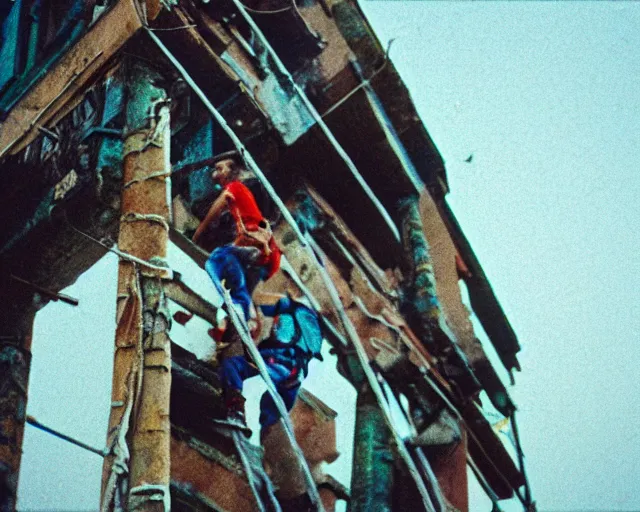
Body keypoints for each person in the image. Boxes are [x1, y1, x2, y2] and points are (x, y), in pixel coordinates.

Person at [192, 151, 281, 325]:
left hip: (254, 250)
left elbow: (215, 211)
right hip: (262, 257)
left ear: (236, 168)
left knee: (216, 265)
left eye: (219, 168)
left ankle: (242, 315)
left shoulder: (240, 187)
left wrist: (197, 235)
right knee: (237, 293)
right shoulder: (246, 193)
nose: (215, 175)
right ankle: (243, 318)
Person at [219, 290, 324, 433]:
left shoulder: (292, 310)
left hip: (278, 362)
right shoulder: (313, 328)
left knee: (233, 366)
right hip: (293, 377)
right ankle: (267, 439)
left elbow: (264, 308)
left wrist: (239, 306)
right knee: (272, 413)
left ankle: (237, 411)